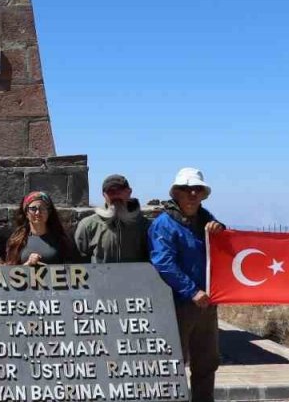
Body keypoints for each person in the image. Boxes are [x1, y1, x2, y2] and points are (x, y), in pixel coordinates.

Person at [148, 167, 225, 402]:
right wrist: (192, 291)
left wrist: (220, 229)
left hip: (207, 305)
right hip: (178, 305)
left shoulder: (207, 220)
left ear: (203, 194)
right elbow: (163, 262)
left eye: (197, 189)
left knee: (206, 364)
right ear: (176, 193)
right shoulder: (164, 224)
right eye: (186, 189)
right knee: (173, 364)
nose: (192, 193)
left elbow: (224, 253)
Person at [74, 174, 150, 263]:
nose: (116, 195)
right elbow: (80, 259)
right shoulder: (88, 225)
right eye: (111, 192)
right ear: (104, 195)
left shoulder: (145, 226)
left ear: (129, 192)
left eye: (120, 190)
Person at [5, 191, 79, 265]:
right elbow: (9, 272)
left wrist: (49, 270)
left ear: (49, 212)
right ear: (26, 213)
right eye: (33, 209)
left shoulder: (63, 240)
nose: (38, 212)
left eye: (42, 208)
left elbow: (72, 270)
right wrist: (27, 265)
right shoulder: (16, 241)